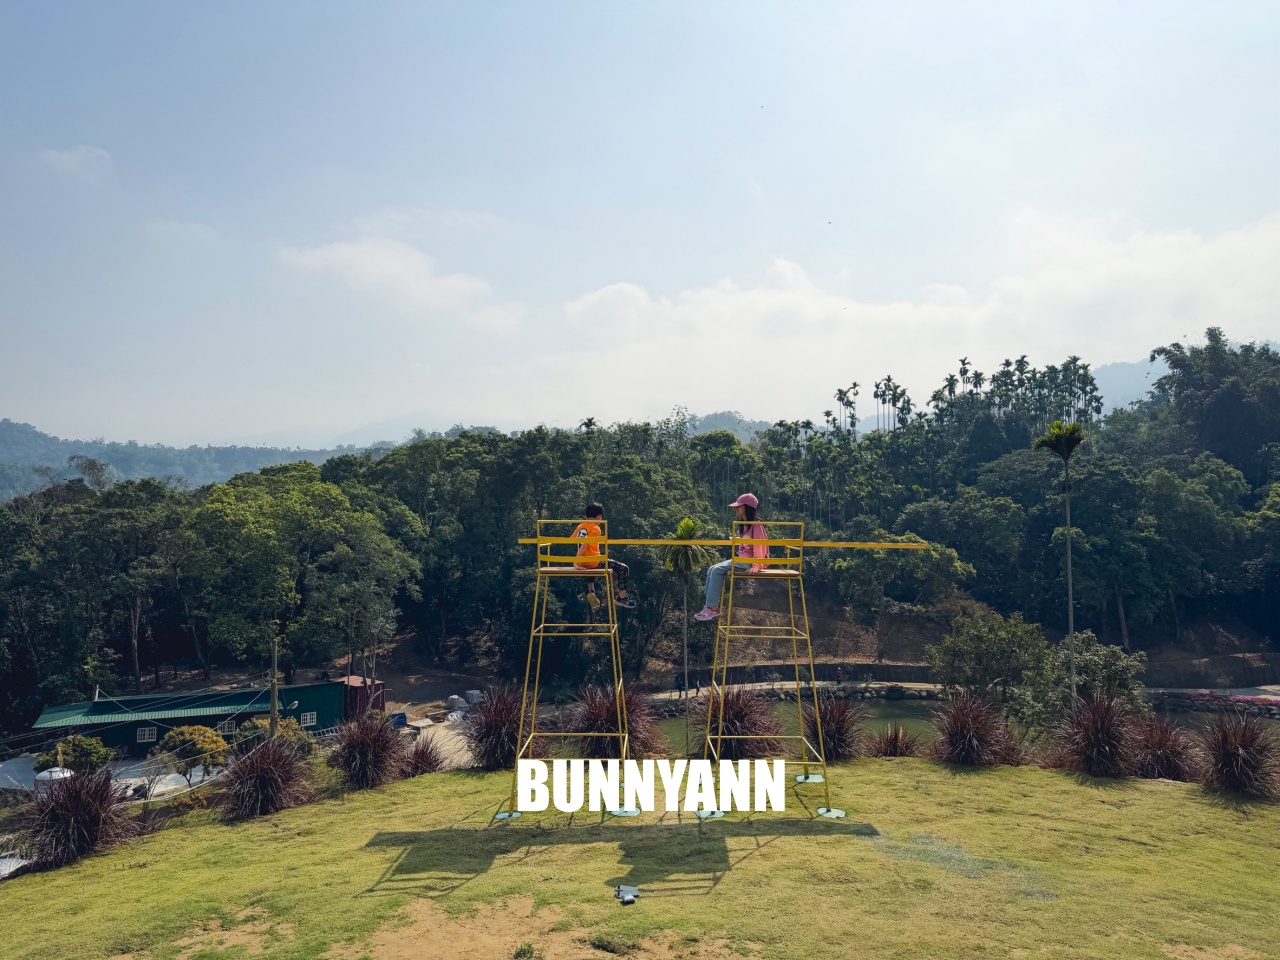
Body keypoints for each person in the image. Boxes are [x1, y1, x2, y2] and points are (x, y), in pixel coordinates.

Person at [694, 493, 768, 621]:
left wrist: (756, 566)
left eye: (739, 506)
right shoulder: (744, 525)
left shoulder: (755, 525)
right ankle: (708, 604)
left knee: (717, 571)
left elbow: (759, 546)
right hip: (742, 559)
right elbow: (746, 545)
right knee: (712, 569)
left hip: (749, 562)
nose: (736, 509)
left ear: (746, 507)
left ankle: (712, 608)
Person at [574, 502, 637, 609]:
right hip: (592, 562)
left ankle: (591, 591)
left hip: (583, 563)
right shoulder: (595, 528)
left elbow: (572, 539)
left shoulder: (580, 526)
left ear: (585, 516)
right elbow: (585, 545)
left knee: (591, 563)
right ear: (599, 517)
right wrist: (575, 562)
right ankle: (622, 597)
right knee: (623, 568)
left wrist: (579, 561)